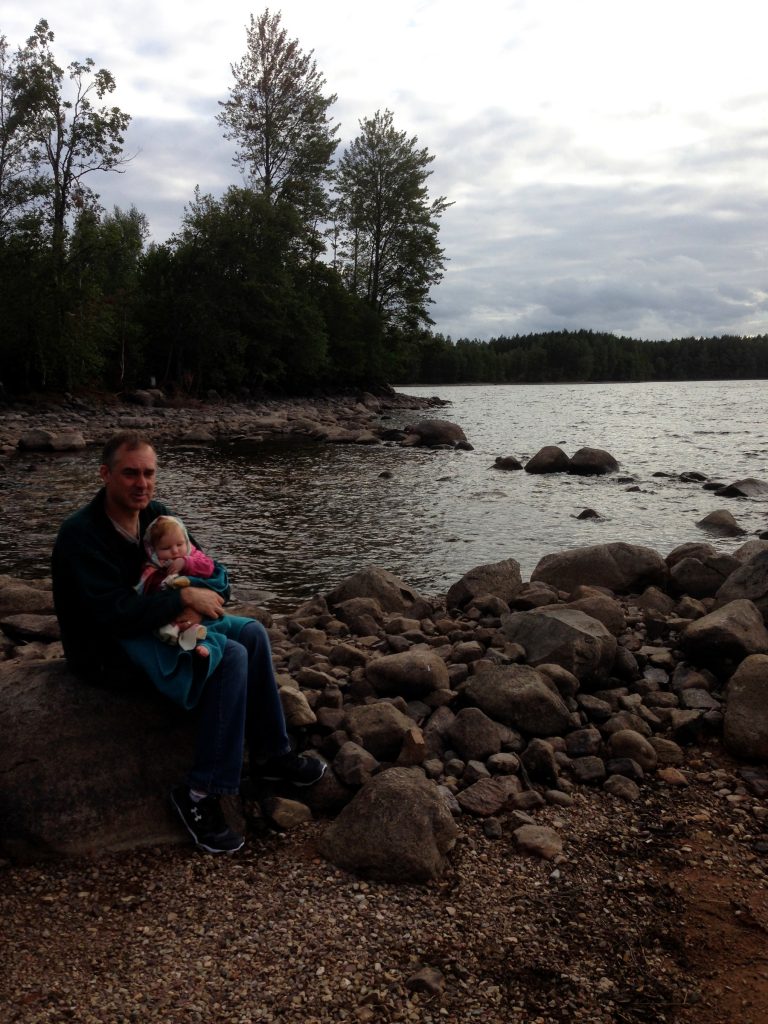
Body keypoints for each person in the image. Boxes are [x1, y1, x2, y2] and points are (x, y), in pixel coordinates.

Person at [51, 430, 325, 855]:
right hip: (108, 651)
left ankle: (273, 754)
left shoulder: (157, 517)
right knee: (229, 655)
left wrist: (199, 599)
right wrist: (181, 597)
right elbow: (112, 614)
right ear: (105, 474)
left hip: (158, 628)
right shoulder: (81, 535)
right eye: (130, 474)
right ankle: (199, 793)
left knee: (251, 632)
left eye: (149, 473)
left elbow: (212, 570)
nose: (141, 483)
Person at [137, 514, 216, 655]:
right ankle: (178, 638)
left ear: (186, 541)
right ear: (154, 551)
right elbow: (149, 591)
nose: (175, 551)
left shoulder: (193, 556)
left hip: (201, 607)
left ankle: (208, 646)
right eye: (166, 548)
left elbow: (209, 567)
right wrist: (163, 578)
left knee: (213, 626)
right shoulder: (153, 568)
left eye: (179, 544)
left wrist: (186, 563)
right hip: (173, 614)